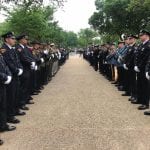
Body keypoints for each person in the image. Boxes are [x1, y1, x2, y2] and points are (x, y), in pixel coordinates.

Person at [1, 32, 22, 124]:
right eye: (12, 38)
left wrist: (19, 68)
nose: (14, 40)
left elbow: (17, 61)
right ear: (7, 39)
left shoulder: (12, 49)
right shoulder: (4, 49)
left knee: (15, 95)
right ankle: (10, 116)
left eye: (14, 38)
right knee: (10, 97)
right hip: (9, 77)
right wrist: (15, 71)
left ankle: (14, 112)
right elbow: (8, 64)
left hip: (14, 75)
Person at [0, 47, 16, 132]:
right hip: (2, 80)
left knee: (3, 106)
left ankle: (3, 125)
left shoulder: (1, 56)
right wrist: (5, 77)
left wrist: (9, 75)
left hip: (2, 84)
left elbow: (5, 66)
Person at [134, 30, 150, 110]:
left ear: (147, 35)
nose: (140, 37)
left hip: (144, 68)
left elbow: (146, 58)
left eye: (141, 35)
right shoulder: (141, 45)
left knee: (145, 86)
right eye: (140, 35)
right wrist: (136, 65)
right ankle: (140, 99)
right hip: (139, 68)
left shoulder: (148, 45)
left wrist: (139, 66)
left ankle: (145, 103)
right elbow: (137, 56)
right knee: (139, 84)